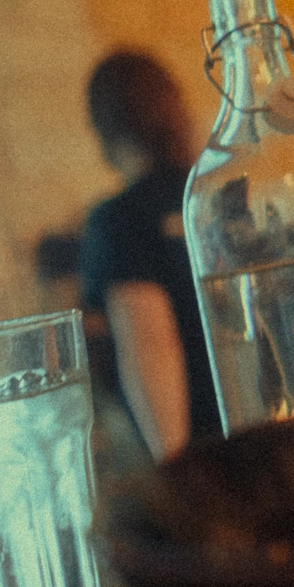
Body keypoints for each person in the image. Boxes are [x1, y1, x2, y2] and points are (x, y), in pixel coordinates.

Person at [81, 51, 220, 460]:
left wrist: (178, 472)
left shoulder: (116, 221)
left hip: (206, 456)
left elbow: (152, 345)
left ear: (105, 129)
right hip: (263, 431)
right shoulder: (218, 195)